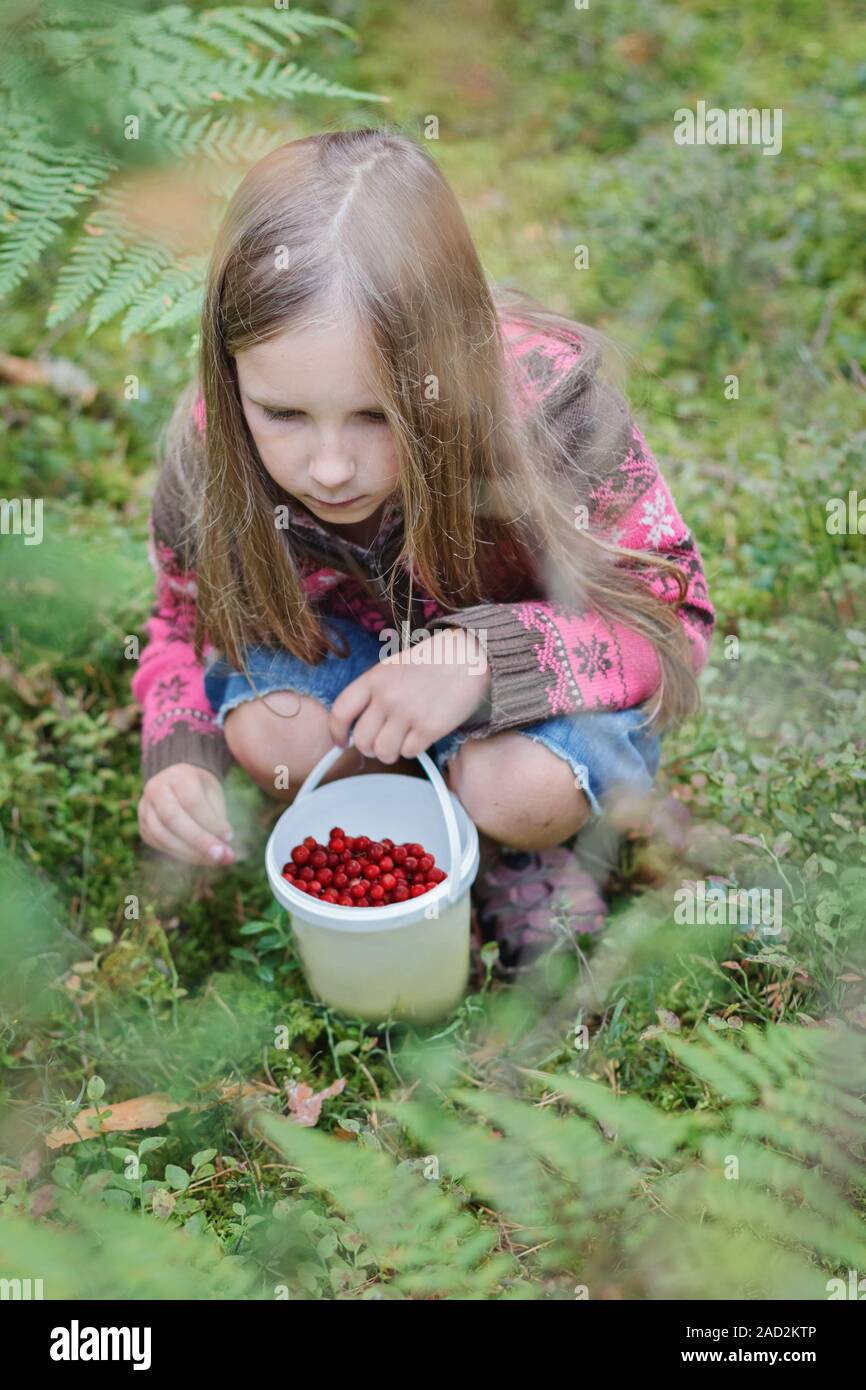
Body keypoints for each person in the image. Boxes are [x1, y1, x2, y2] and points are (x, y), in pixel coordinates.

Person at [132, 128, 715, 970]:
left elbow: (671, 618)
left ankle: (515, 845)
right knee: (276, 730)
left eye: (377, 416)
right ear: (231, 378)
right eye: (284, 414)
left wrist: (486, 657)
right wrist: (179, 752)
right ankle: (407, 835)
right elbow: (179, 627)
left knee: (517, 789)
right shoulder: (211, 461)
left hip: (535, 704)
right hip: (348, 678)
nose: (328, 467)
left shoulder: (554, 420)